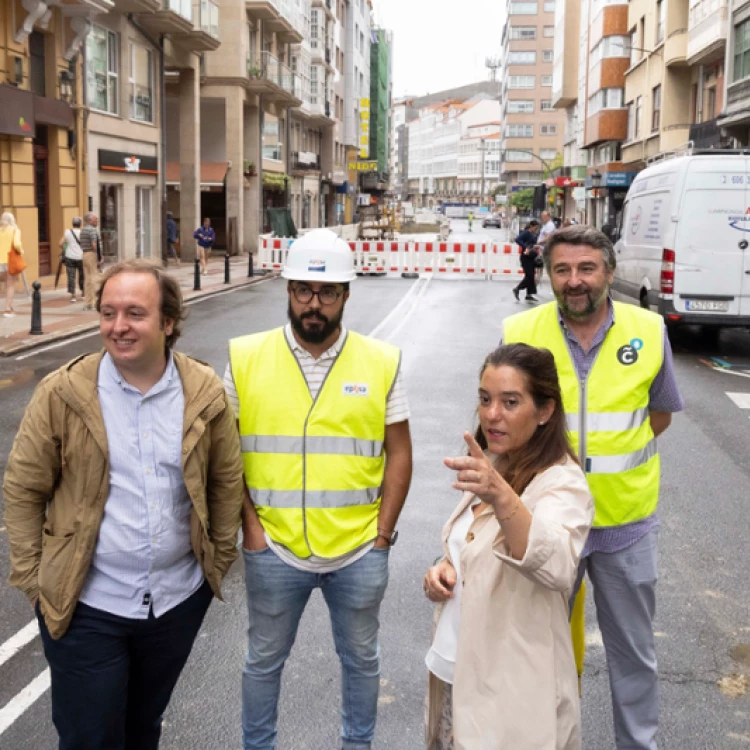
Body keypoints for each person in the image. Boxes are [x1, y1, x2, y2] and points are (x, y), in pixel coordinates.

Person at [3, 259, 245, 750]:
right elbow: (24, 490)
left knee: (142, 727)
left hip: (175, 601)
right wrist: (34, 581)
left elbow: (225, 481)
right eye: (108, 312)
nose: (118, 326)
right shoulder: (64, 392)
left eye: (135, 313)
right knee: (89, 737)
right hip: (86, 603)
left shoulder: (202, 393)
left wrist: (215, 563)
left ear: (168, 322)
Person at [226, 228, 413, 750]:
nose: (314, 304)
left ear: (346, 294)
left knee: (361, 660)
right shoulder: (244, 358)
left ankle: (358, 744)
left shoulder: (381, 361)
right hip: (274, 548)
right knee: (262, 661)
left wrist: (383, 535)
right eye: (303, 290)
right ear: (287, 290)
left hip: (358, 549)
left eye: (327, 292)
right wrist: (252, 531)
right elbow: (225, 457)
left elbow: (399, 451)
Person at [503, 225, 684, 750]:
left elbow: (661, 415)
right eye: (562, 269)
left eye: (586, 268)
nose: (574, 281)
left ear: (609, 271)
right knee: (538, 653)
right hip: (546, 524)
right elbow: (502, 424)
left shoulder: (648, 330)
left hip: (625, 525)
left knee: (633, 656)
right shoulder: (521, 329)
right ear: (549, 273)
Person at [424, 343, 594, 749]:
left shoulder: (561, 482)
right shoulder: (497, 463)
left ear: (545, 411)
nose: (492, 414)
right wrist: (443, 569)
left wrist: (501, 497)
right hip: (454, 672)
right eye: (485, 399)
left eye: (510, 401)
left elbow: (555, 564)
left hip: (511, 695)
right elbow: (471, 548)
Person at [0, 211, 24, 317]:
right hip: (10, 260)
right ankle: (7, 309)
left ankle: (10, 306)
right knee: (10, 285)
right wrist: (21, 251)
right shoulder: (15, 230)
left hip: (0, 261)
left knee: (6, 284)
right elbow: (17, 244)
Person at [512, 219, 540, 303]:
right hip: (526, 257)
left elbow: (532, 244)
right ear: (531, 226)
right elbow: (517, 239)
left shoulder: (533, 234)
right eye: (535, 227)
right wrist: (526, 247)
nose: (536, 229)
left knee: (531, 275)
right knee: (529, 275)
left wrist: (535, 246)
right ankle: (517, 288)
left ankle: (529, 294)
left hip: (531, 257)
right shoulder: (526, 233)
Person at [80, 212, 102, 310]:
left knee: (87, 279)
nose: (97, 221)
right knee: (94, 278)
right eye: (95, 219)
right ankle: (93, 302)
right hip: (92, 254)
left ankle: (87, 302)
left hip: (84, 254)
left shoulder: (83, 230)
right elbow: (94, 244)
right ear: (90, 220)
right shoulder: (92, 230)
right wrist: (99, 256)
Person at [60, 217, 84, 303]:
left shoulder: (67, 232)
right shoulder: (82, 233)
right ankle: (83, 293)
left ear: (72, 223)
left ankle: (73, 295)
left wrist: (66, 247)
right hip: (81, 257)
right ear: (80, 224)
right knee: (82, 275)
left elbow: (60, 243)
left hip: (69, 256)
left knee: (71, 276)